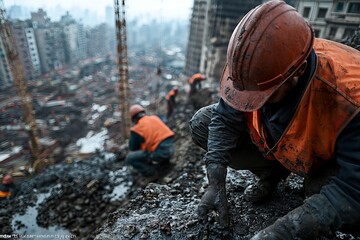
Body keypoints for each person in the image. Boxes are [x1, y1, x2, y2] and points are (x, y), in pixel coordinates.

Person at [189, 0, 360, 239]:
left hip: (325, 158)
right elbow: (225, 118)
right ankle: (272, 174)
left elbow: (353, 188)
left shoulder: (349, 97)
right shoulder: (253, 66)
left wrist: (284, 232)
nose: (250, 103)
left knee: (318, 191)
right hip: (281, 144)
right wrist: (215, 181)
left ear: (297, 72)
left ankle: (307, 182)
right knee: (202, 124)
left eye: (261, 95)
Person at [126, 104, 175, 181]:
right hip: (171, 148)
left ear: (133, 118)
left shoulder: (136, 129)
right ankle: (165, 164)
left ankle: (152, 174)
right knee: (157, 145)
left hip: (160, 153)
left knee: (130, 158)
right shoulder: (154, 118)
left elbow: (133, 147)